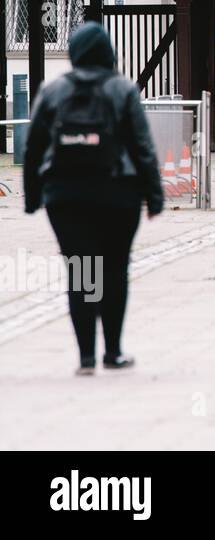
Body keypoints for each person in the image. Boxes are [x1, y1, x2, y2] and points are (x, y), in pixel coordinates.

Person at [23, 22, 164, 375]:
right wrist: (154, 193)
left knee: (82, 271)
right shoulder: (123, 89)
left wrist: (32, 194)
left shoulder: (52, 90)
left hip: (65, 194)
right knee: (115, 270)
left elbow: (34, 146)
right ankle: (113, 351)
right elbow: (142, 146)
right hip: (118, 192)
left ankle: (86, 356)